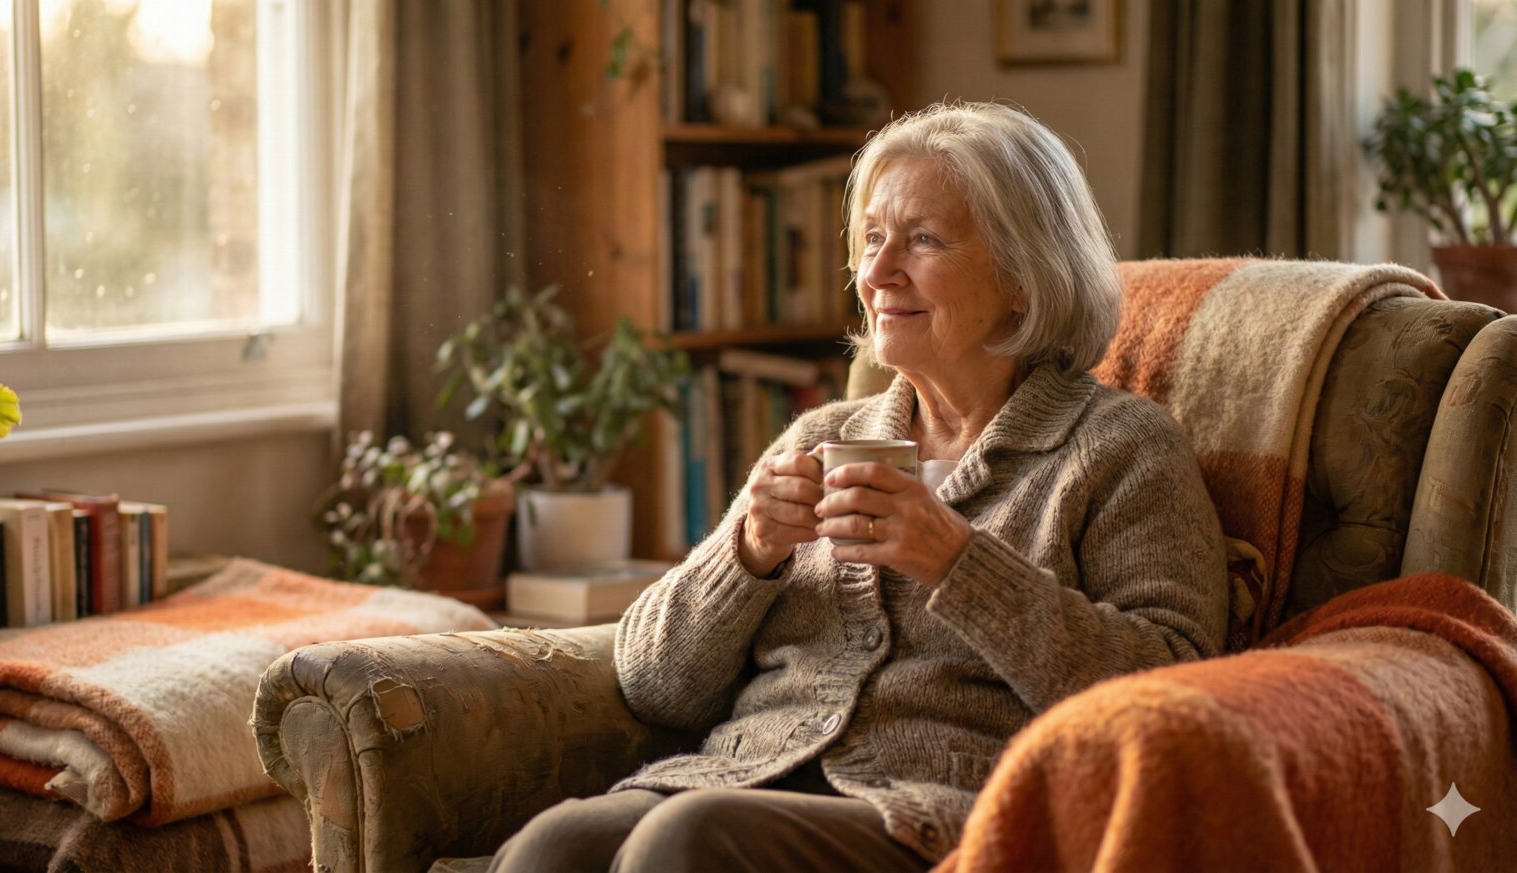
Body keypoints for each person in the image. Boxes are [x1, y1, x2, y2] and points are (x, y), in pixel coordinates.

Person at [489, 101, 1229, 873]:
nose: (875, 273)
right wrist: (748, 554)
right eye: (873, 238)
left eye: (923, 240)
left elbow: (1170, 692)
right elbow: (653, 684)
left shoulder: (1118, 447)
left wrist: (957, 562)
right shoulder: (820, 437)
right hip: (742, 776)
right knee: (555, 844)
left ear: (1023, 274)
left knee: (688, 839)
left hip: (943, 807)